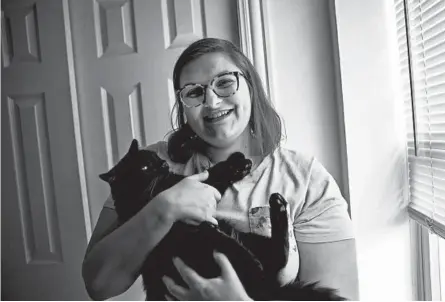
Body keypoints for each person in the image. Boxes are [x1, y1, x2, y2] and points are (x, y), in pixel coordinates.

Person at [82, 38, 359, 301]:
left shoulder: (304, 179)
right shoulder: (149, 166)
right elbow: (99, 285)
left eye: (225, 83)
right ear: (183, 104)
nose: (211, 102)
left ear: (250, 85)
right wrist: (162, 210)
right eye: (194, 92)